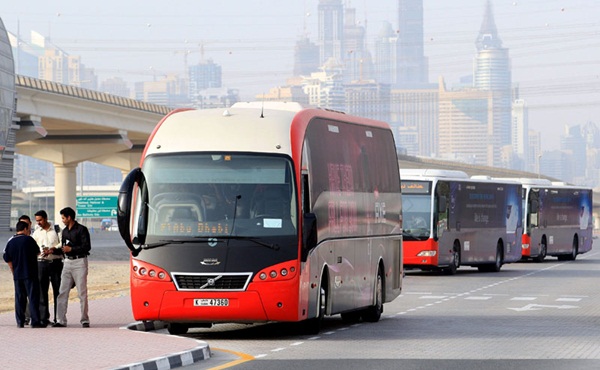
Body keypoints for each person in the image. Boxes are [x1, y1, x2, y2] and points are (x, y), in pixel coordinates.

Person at [53, 207, 91, 328]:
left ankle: (84, 319)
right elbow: (64, 247)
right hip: (67, 263)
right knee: (62, 292)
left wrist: (72, 249)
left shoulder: (82, 230)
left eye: (63, 218)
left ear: (69, 217)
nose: (62, 220)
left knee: (82, 292)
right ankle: (61, 320)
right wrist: (54, 250)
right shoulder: (64, 232)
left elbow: (87, 247)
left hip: (80, 262)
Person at [3, 220, 45, 328]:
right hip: (30, 273)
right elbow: (38, 252)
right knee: (32, 297)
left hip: (17, 274)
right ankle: (35, 321)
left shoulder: (11, 242)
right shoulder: (29, 240)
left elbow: (7, 258)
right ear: (25, 229)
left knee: (19, 298)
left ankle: (20, 321)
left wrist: (13, 270)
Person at [33, 210, 63, 326]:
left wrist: (52, 249)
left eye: (40, 220)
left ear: (46, 218)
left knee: (58, 291)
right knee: (42, 291)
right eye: (37, 221)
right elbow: (33, 245)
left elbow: (62, 243)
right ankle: (43, 318)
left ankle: (58, 318)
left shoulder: (56, 230)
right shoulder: (36, 232)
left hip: (55, 263)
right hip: (41, 264)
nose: (38, 223)